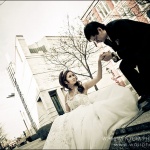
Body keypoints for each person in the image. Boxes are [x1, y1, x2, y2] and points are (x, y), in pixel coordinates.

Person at [43, 55, 138, 149]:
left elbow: (99, 77)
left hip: (89, 114)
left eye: (73, 75)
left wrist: (99, 62)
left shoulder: (83, 87)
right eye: (70, 76)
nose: (73, 77)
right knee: (60, 121)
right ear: (66, 82)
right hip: (77, 120)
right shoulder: (66, 96)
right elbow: (67, 113)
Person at [84, 19, 150, 111]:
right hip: (137, 51)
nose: (97, 42)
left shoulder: (118, 26)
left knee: (143, 64)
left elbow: (131, 45)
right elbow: (124, 52)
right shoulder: (107, 40)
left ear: (99, 30)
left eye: (96, 39)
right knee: (124, 66)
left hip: (146, 45)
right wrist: (112, 56)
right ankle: (144, 93)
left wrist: (112, 55)